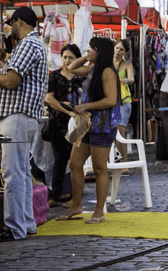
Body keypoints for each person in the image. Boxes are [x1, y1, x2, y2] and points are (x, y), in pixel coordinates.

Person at [0, 7, 48, 242]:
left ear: (18, 22)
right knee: (22, 172)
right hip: (21, 116)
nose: (9, 28)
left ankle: (14, 227)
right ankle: (25, 224)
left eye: (11, 24)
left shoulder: (27, 45)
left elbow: (11, 81)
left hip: (17, 116)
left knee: (13, 173)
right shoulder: (34, 45)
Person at [56, 37, 120, 224]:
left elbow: (111, 100)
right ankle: (76, 205)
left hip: (102, 126)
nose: (88, 51)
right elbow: (72, 68)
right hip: (87, 125)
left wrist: (86, 106)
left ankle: (99, 212)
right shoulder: (93, 69)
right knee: (75, 164)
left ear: (100, 51)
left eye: (92, 49)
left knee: (100, 168)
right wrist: (87, 56)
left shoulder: (108, 72)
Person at [43, 44, 83, 208]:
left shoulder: (81, 77)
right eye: (65, 57)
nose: (67, 60)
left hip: (78, 124)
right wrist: (68, 112)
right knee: (59, 160)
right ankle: (55, 196)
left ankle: (76, 197)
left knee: (76, 162)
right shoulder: (54, 76)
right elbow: (49, 99)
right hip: (58, 123)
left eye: (71, 57)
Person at [113, 39, 134, 162]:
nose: (118, 51)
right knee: (113, 133)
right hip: (111, 101)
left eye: (121, 49)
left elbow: (131, 79)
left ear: (125, 52)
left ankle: (124, 163)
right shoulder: (109, 64)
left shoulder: (127, 65)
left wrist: (126, 80)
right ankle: (118, 160)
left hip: (123, 101)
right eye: (117, 48)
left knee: (121, 132)